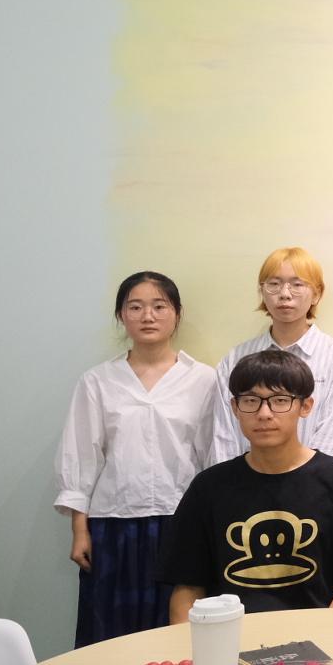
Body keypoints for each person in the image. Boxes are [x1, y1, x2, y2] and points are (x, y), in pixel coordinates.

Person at [55, 271, 219, 645]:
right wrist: (80, 530)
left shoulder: (203, 380)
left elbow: (213, 456)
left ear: (177, 313)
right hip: (114, 525)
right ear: (121, 316)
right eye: (136, 307)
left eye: (159, 306)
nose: (148, 316)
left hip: (181, 522)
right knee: (111, 630)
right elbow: (81, 456)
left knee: (179, 633)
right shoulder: (97, 381)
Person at [161, 350, 333, 620]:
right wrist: (189, 642)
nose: (264, 413)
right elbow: (187, 586)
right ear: (235, 407)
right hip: (231, 635)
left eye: (280, 401)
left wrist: (323, 629)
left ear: (305, 406)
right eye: (251, 401)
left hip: (317, 635)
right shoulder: (208, 487)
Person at [210, 247, 333, 463]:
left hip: (313, 478)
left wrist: (308, 476)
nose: (285, 294)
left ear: (316, 294)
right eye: (274, 284)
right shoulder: (235, 359)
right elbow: (224, 436)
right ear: (262, 291)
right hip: (244, 478)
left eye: (297, 285)